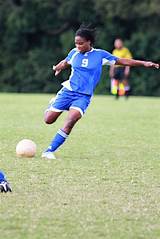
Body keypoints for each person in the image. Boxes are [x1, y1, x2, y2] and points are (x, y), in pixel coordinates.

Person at [41, 25, 159, 159]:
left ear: (89, 42)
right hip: (68, 91)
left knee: (71, 120)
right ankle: (53, 103)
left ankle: (49, 150)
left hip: (83, 96)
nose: (78, 46)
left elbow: (123, 61)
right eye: (76, 43)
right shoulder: (74, 52)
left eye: (81, 43)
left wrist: (144, 63)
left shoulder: (100, 55)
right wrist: (57, 67)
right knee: (48, 120)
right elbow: (65, 62)